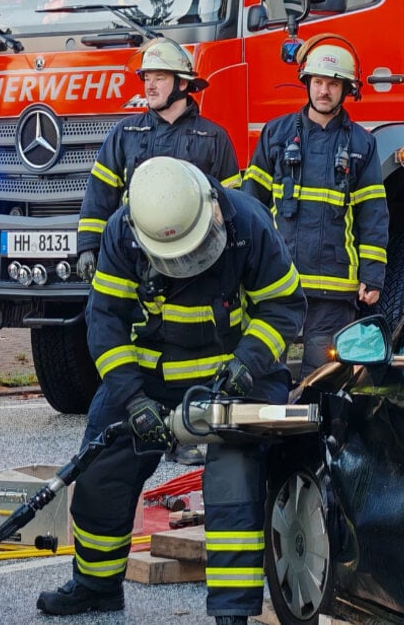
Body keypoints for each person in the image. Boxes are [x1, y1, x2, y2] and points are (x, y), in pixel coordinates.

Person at [37, 156, 306, 624]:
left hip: (236, 379)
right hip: (151, 381)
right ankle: (96, 586)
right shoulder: (123, 233)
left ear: (212, 208)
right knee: (103, 471)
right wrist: (132, 401)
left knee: (234, 482)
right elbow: (105, 323)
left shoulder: (248, 223)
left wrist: (247, 365)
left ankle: (231, 613)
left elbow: (283, 306)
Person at [76, 37, 240, 466]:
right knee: (134, 339)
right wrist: (89, 247)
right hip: (137, 262)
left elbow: (234, 208)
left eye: (159, 77)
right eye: (146, 77)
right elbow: (99, 195)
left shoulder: (213, 138)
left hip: (196, 265)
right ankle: (139, 419)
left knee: (191, 345)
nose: (150, 85)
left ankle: (187, 426)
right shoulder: (126, 134)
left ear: (183, 84)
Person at [241, 38, 388, 380]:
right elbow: (251, 204)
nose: (324, 91)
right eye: (318, 82)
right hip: (278, 283)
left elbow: (373, 215)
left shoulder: (362, 145)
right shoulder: (275, 136)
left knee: (321, 381)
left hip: (333, 291)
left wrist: (372, 275)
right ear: (306, 83)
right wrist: (244, 265)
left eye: (333, 84)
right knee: (264, 376)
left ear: (346, 89)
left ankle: (316, 436)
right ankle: (269, 436)